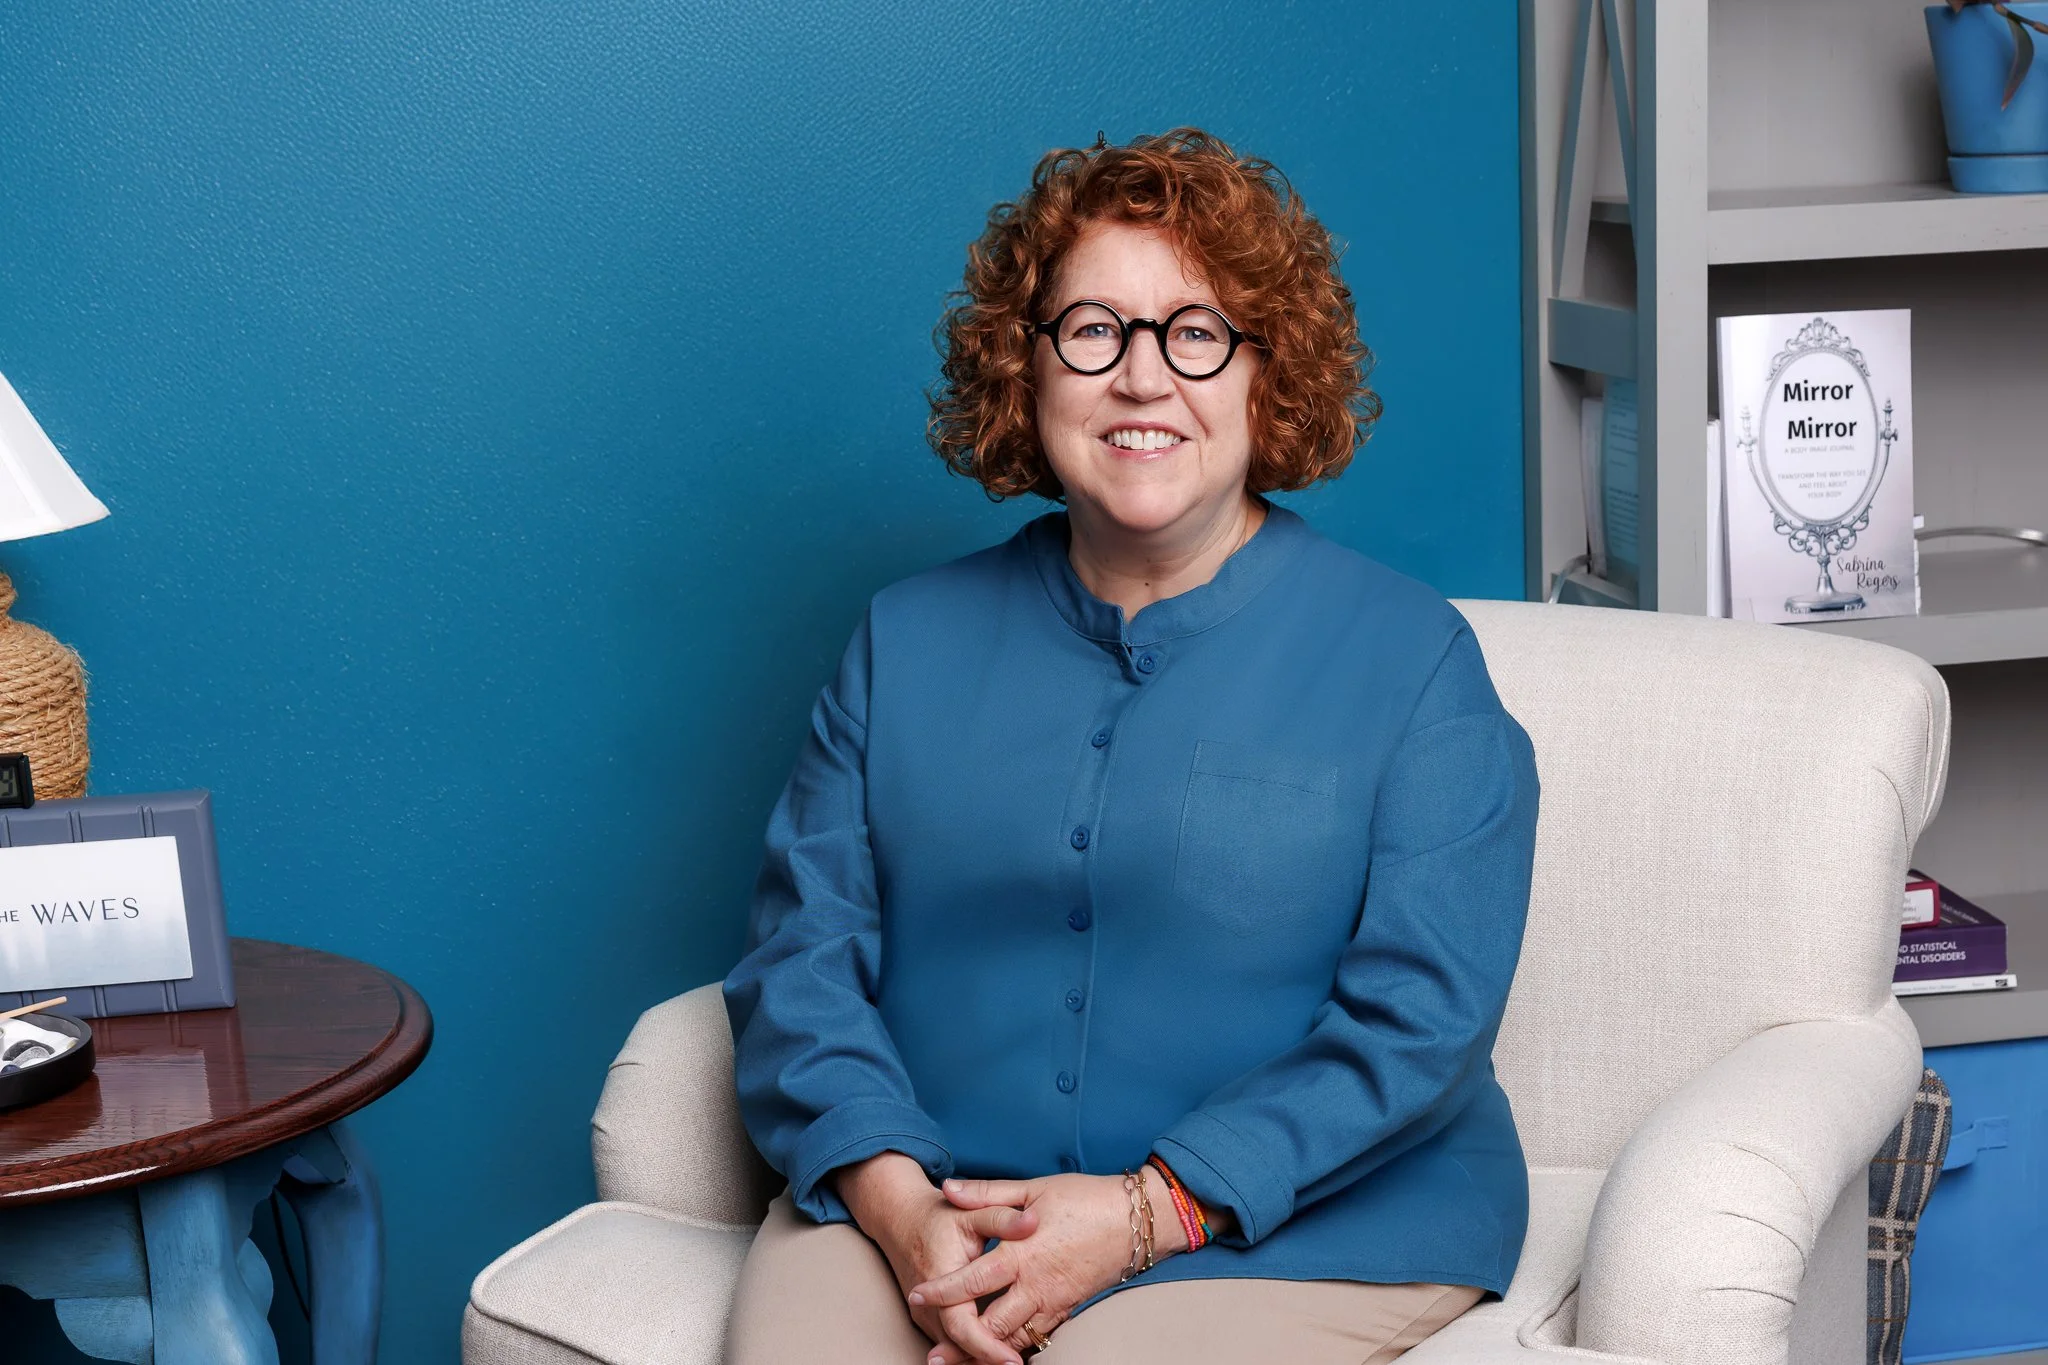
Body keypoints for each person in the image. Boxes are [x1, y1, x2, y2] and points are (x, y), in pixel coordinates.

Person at [721, 128, 1539, 1365]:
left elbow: (1421, 1023)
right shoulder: (900, 641)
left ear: (1269, 374)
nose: (1142, 379)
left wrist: (1146, 1213)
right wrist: (900, 1210)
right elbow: (802, 962)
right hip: (935, 1204)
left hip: (1311, 1224)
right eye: (1092, 330)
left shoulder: (1412, 661)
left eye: (1195, 332)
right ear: (1025, 370)